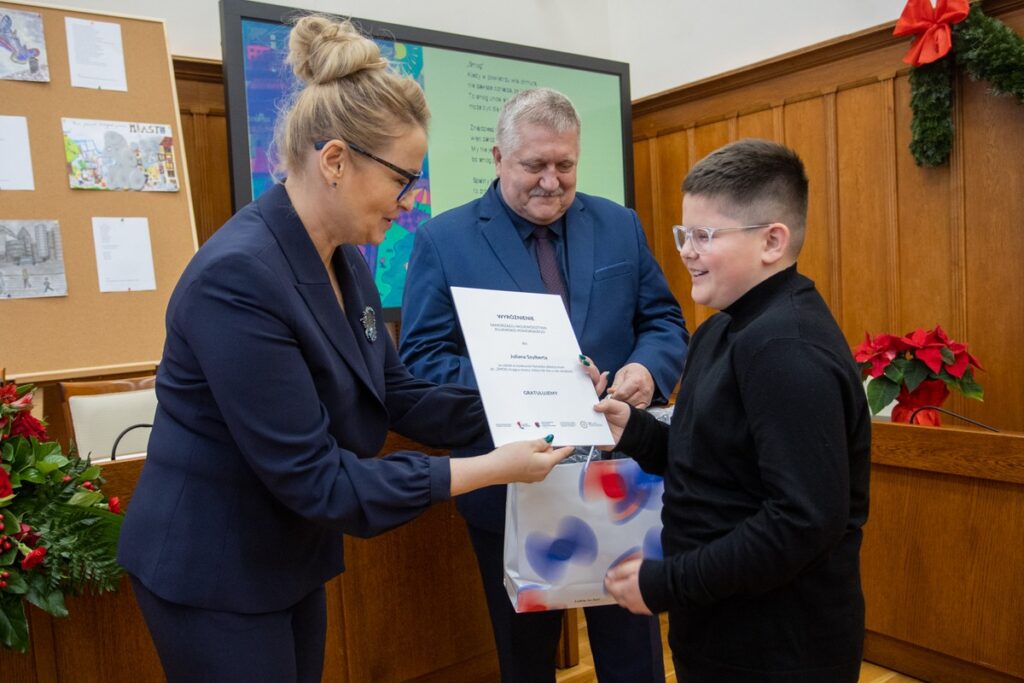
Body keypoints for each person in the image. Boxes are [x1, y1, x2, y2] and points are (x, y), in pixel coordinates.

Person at [117, 17, 573, 683]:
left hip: (289, 550)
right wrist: (486, 467)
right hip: (213, 566)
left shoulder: (345, 258)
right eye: (401, 179)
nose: (409, 200)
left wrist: (538, 406)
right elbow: (318, 478)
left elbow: (395, 392)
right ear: (335, 160)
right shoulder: (237, 278)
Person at [400, 87, 687, 682]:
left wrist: (647, 369)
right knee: (526, 660)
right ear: (498, 157)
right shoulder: (443, 240)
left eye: (565, 165)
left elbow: (663, 321)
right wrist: (521, 384)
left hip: (617, 480)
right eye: (535, 165)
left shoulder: (619, 225)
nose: (552, 182)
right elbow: (422, 360)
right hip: (508, 484)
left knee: (634, 657)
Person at [598, 138, 871, 682]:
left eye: (705, 236)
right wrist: (632, 429)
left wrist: (667, 583)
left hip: (778, 649)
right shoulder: (720, 329)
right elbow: (709, 461)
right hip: (718, 630)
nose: (686, 251)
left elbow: (801, 522)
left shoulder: (787, 348)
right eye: (683, 234)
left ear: (772, 241)